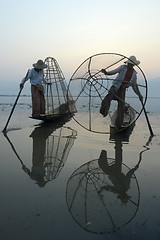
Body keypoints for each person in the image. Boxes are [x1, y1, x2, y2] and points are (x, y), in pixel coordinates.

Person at [100, 56, 143, 128]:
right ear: (127, 64)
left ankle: (119, 123)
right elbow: (113, 72)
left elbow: (134, 86)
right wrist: (106, 73)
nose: (129, 65)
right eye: (129, 64)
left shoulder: (134, 74)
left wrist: (139, 95)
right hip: (115, 87)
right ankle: (104, 110)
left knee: (121, 106)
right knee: (109, 97)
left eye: (131, 64)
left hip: (122, 90)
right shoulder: (122, 68)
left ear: (133, 65)